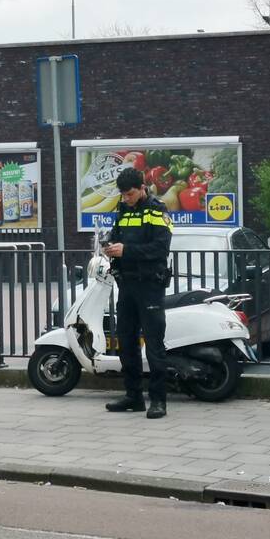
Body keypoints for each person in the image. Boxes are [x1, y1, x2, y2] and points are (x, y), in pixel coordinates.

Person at [103, 167, 174, 419]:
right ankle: (133, 396)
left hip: (150, 285)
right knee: (126, 342)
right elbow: (117, 236)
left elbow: (160, 248)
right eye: (122, 195)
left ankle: (158, 401)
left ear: (142, 188)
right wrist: (109, 246)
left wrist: (127, 251)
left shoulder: (157, 209)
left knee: (154, 344)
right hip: (127, 285)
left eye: (130, 194)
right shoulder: (122, 209)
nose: (126, 199)